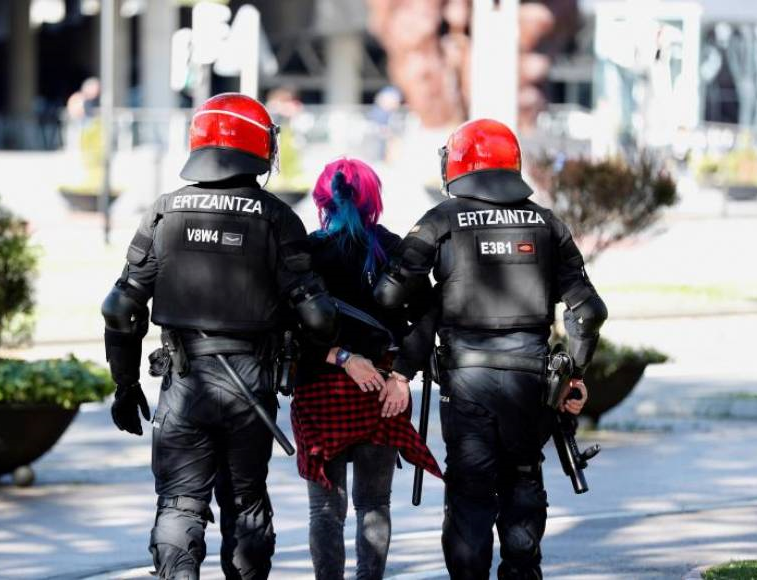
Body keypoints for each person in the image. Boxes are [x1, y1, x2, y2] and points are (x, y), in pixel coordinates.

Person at [101, 93, 338, 580]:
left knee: (180, 504)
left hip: (185, 384)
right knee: (246, 502)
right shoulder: (277, 218)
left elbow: (120, 307)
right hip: (252, 385)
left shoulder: (164, 212)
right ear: (260, 146)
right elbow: (317, 318)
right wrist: (303, 372)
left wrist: (125, 385)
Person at [375, 119, 607, 580]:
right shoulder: (545, 222)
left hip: (467, 384)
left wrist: (415, 336)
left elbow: (389, 294)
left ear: (457, 164)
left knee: (469, 492)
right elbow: (589, 311)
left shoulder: (440, 220)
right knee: (523, 478)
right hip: (532, 385)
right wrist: (574, 374)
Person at [290, 158, 441, 580]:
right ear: (375, 199)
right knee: (374, 505)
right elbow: (428, 317)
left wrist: (339, 356)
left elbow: (285, 323)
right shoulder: (395, 249)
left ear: (323, 198)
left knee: (325, 509)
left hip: (320, 393)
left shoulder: (308, 253)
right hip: (382, 392)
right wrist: (402, 377)